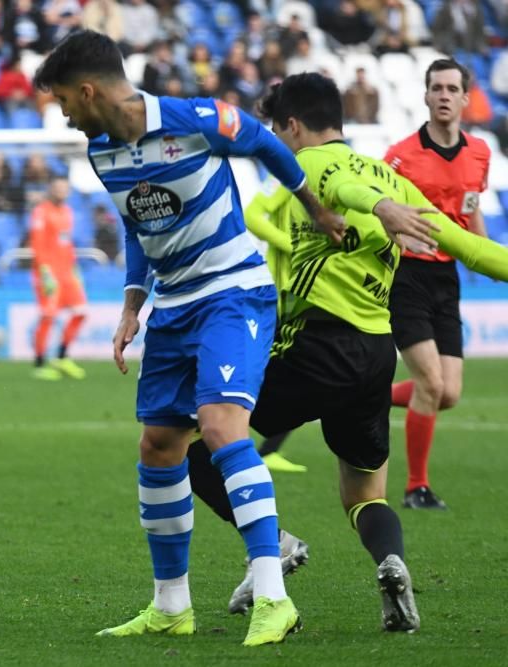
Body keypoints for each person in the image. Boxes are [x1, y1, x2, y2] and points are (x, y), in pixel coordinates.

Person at [33, 30, 347, 647]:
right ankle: (172, 606)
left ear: (89, 90)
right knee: (158, 445)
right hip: (172, 306)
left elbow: (261, 141)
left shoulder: (194, 119)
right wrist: (132, 302)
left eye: (65, 100)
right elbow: (135, 224)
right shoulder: (101, 151)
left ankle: (274, 598)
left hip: (233, 292)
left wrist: (312, 206)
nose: (64, 115)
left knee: (223, 426)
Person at [184, 72, 508, 630]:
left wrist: (376, 208)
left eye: (276, 131)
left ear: (292, 126)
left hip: (314, 345)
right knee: (364, 492)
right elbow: (473, 250)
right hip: (376, 355)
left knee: (196, 439)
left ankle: (273, 545)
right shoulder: (389, 174)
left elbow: (341, 188)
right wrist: (384, 204)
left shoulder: (305, 167)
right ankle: (390, 565)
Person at [384, 59, 492, 510]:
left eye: (453, 88)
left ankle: (363, 395)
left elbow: (471, 212)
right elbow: (380, 213)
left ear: (466, 98)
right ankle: (416, 488)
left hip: (447, 278)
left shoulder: (480, 153)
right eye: (437, 88)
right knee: (428, 382)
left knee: (447, 392)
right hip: (407, 275)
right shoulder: (399, 156)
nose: (445, 95)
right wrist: (396, 232)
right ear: (426, 97)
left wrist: (487, 258)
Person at [239, 177, 305, 474]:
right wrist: (293, 247)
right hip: (282, 294)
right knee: (273, 371)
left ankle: (267, 449)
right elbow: (252, 215)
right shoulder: (287, 174)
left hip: (308, 292)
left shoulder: (329, 171)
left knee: (295, 373)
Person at [28, 175, 87, 381]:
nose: (61, 191)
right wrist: (44, 272)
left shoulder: (68, 212)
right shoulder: (41, 212)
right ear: (50, 189)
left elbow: (66, 242)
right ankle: (40, 363)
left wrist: (74, 268)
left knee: (81, 312)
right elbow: (37, 243)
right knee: (49, 315)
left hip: (67, 271)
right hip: (48, 272)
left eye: (65, 188)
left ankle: (61, 356)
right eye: (58, 188)